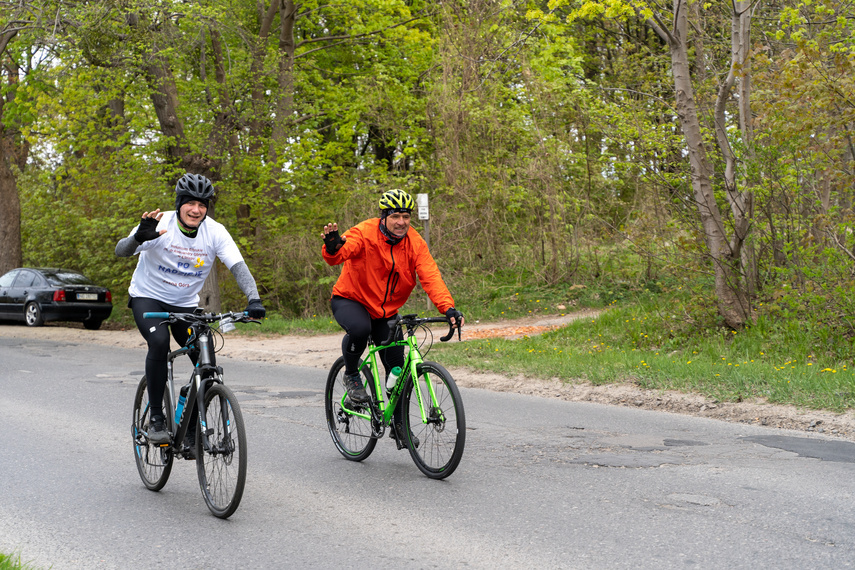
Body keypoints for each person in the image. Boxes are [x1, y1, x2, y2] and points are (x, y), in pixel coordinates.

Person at [116, 173, 266, 455]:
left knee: (205, 360)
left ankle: (191, 429)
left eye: (202, 204)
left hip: (185, 303)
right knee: (159, 343)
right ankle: (157, 417)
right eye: (190, 203)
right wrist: (137, 238)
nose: (196, 209)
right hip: (148, 299)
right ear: (179, 203)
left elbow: (238, 266)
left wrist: (254, 298)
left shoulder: (215, 232)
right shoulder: (160, 223)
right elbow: (120, 251)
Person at [321, 189, 463, 448]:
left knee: (398, 368)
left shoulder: (415, 243)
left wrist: (448, 309)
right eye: (395, 216)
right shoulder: (365, 232)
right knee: (360, 329)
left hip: (386, 311)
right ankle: (352, 373)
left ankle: (399, 428)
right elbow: (342, 251)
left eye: (406, 216)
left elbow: (430, 276)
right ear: (384, 217)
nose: (401, 222)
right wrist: (332, 248)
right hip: (351, 299)